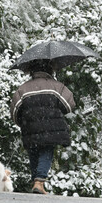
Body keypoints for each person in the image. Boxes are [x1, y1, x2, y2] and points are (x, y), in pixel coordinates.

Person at [10, 63, 76, 194]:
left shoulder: (23, 89)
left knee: (33, 152)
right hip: (50, 127)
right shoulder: (57, 87)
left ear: (32, 71)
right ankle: (39, 183)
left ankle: (36, 182)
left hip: (29, 128)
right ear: (50, 70)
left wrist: (23, 123)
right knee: (46, 151)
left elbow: (15, 112)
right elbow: (69, 106)